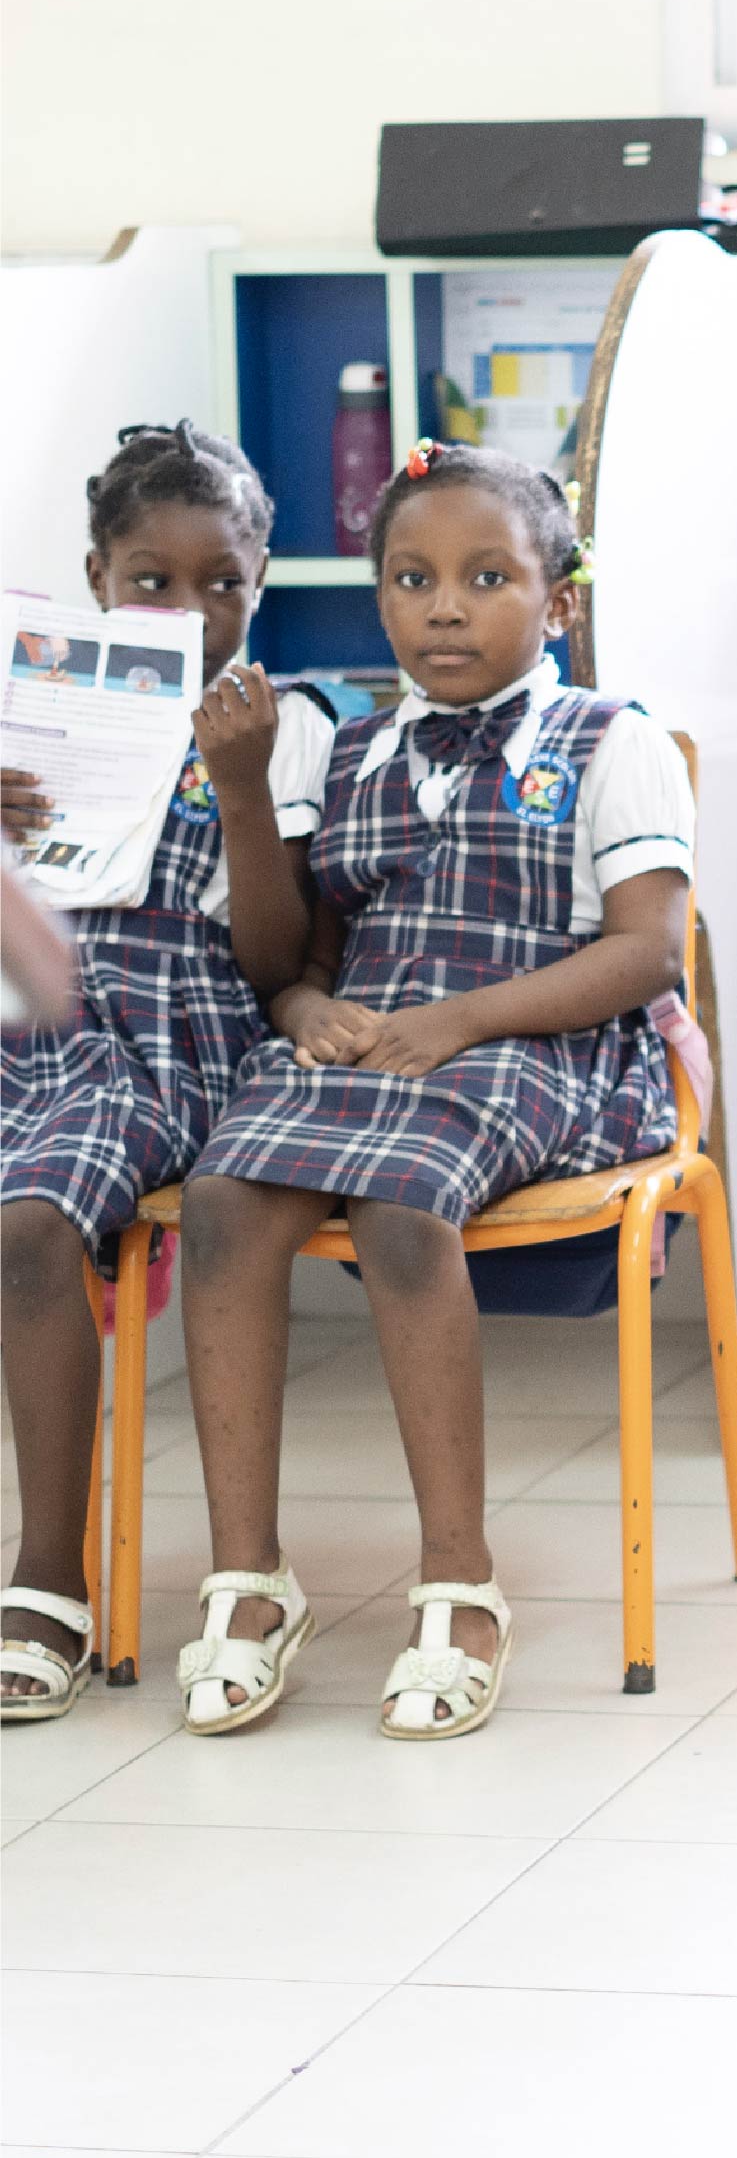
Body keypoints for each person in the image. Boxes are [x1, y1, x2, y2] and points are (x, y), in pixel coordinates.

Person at [171, 440, 695, 1742]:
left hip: (545, 1040)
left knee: (407, 1203)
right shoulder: (346, 751)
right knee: (227, 1198)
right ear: (377, 598)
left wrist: (456, 1022)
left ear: (556, 600)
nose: (445, 606)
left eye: (485, 577)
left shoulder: (611, 742)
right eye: (412, 578)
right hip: (378, 1039)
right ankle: (249, 1580)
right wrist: (300, 1005)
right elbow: (300, 958)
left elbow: (645, 951)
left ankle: (458, 1581)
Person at [1, 423, 329, 1723]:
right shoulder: (34, 710)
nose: (188, 613)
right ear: (97, 579)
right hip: (34, 1020)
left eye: (222, 585)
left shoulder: (288, 730)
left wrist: (242, 794)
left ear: (262, 582)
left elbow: (275, 963)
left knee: (31, 1221)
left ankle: (43, 1575)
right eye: (152, 582)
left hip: (176, 1045)